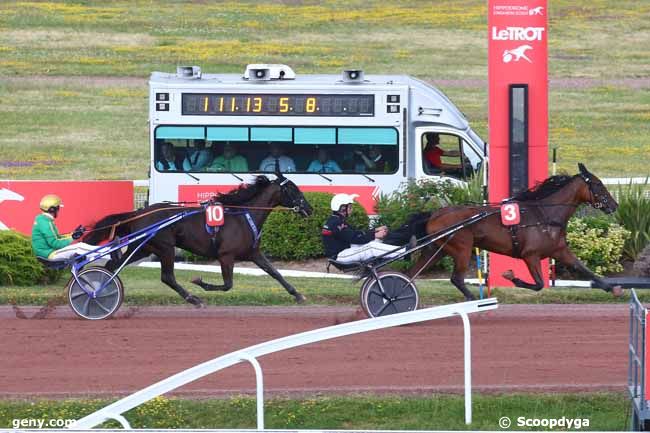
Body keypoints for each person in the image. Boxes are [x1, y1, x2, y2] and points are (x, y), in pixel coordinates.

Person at [322, 193, 406, 264]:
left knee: (376, 242)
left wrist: (375, 230)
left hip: (344, 252)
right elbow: (355, 238)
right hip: (339, 256)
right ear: (342, 208)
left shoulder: (336, 220)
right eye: (350, 207)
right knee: (371, 247)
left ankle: (402, 250)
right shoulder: (336, 223)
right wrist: (375, 235)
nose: (351, 209)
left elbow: (356, 233)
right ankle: (405, 252)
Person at [31, 194, 95, 261]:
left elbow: (57, 237)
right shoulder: (47, 223)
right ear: (53, 209)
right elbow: (56, 243)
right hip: (49, 254)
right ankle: (106, 252)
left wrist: (72, 234)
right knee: (79, 247)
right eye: (58, 208)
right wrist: (72, 238)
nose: (59, 210)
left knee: (80, 247)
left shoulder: (42, 219)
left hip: (46, 252)